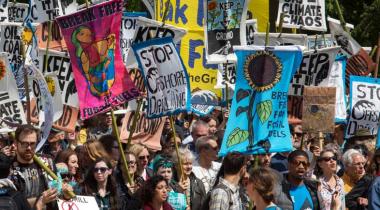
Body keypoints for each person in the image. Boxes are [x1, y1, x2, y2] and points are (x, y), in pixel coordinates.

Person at [10, 125, 59, 208]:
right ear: (15, 143)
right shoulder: (9, 169)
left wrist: (64, 193)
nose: (29, 148)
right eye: (24, 143)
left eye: (32, 144)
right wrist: (41, 201)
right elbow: (12, 204)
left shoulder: (48, 161)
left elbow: (57, 189)